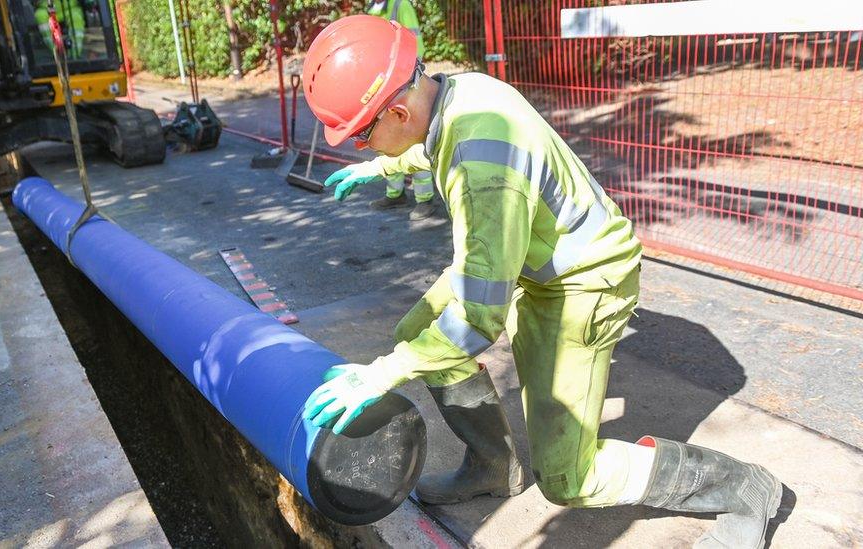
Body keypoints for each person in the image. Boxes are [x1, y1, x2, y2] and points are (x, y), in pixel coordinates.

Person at [301, 15, 782, 549]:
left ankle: (741, 487)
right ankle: (491, 466)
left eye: (364, 136)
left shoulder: (483, 173)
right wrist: (384, 169)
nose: (362, 146)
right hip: (531, 255)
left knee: (568, 478)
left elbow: (476, 320)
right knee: (419, 331)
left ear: (396, 109)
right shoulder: (457, 90)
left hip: (583, 281)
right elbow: (430, 138)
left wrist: (382, 375)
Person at [362, 0, 436, 219]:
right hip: (381, 84)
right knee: (386, 139)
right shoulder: (373, 10)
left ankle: (425, 199)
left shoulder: (400, 5)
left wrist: (405, 75)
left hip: (403, 83)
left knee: (412, 138)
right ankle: (395, 193)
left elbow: (416, 44)